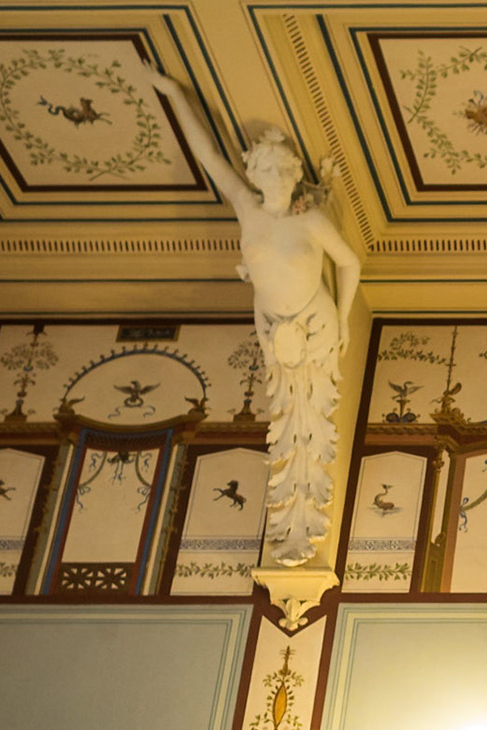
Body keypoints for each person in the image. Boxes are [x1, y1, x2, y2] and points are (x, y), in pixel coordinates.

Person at [143, 64, 361, 566]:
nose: (273, 179)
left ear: (293, 175)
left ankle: (303, 515)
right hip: (271, 327)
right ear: (256, 176)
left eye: (281, 171)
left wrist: (346, 320)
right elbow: (208, 156)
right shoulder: (246, 207)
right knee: (289, 412)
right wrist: (176, 94)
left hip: (314, 323)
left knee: (311, 413)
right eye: (264, 172)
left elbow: (349, 262)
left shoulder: (310, 219)